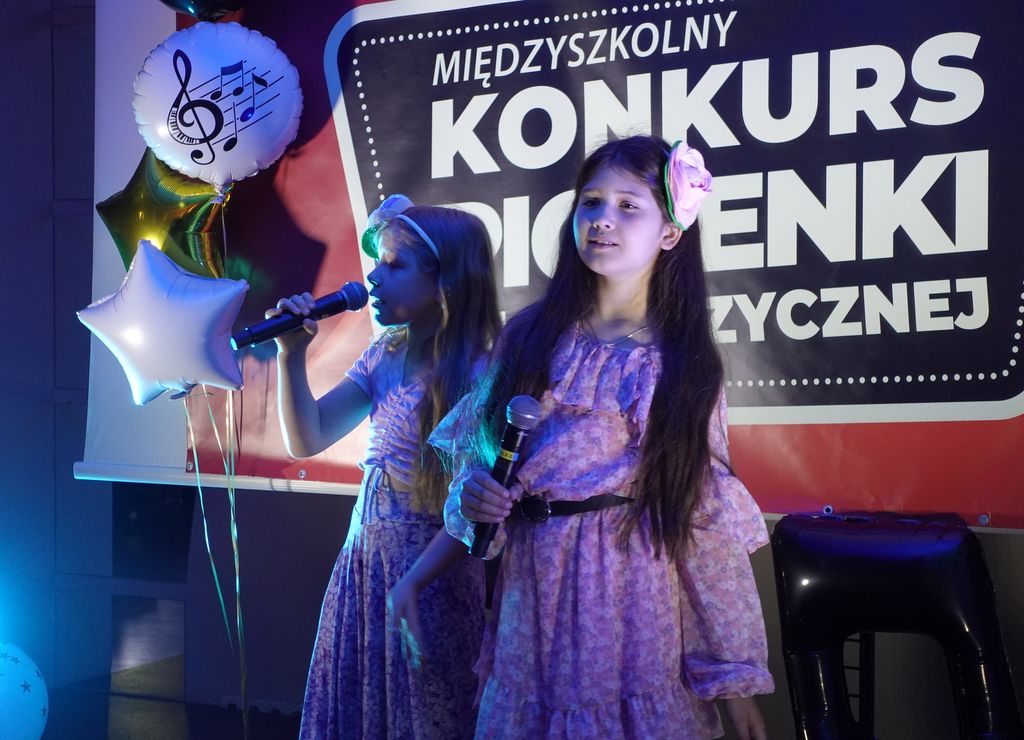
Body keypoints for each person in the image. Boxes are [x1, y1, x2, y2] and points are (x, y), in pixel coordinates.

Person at [434, 136, 774, 739]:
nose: (602, 220)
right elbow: (479, 460)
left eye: (628, 206)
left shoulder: (680, 363)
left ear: (670, 232)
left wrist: (733, 675)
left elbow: (702, 525)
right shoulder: (528, 336)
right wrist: (475, 496)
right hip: (530, 600)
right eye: (590, 202)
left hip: (629, 596)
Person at [271, 195, 501, 739]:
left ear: (445, 281)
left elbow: (471, 514)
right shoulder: (384, 353)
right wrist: (289, 355)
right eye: (378, 262)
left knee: (422, 715)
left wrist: (413, 582)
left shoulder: (479, 371)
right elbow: (307, 437)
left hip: (430, 578)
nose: (374, 276)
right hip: (363, 566)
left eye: (395, 265)